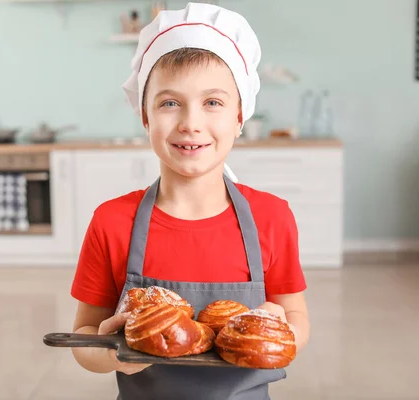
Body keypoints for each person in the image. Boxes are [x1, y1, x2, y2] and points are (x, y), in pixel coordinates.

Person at [70, 2, 310, 399]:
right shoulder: (112, 222)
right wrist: (114, 352)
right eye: (169, 102)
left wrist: (281, 332)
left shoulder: (271, 217)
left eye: (212, 102)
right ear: (145, 117)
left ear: (239, 116)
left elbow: (297, 317)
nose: (190, 123)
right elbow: (82, 338)